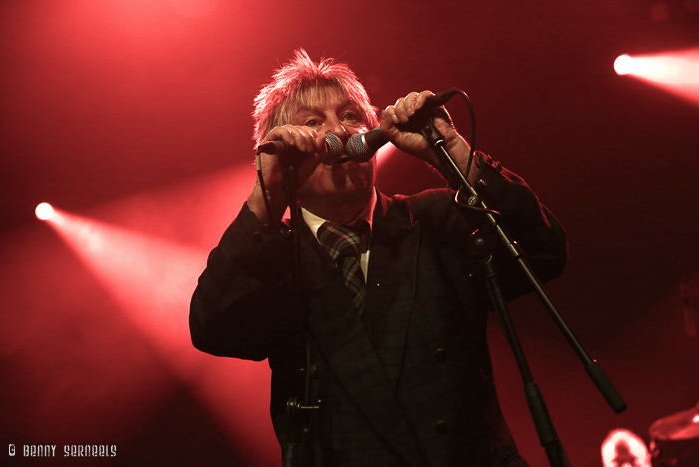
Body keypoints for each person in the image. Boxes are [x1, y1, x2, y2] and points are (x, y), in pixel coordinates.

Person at [189, 49, 567, 466]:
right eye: (313, 123)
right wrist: (267, 194)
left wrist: (455, 155)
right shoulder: (274, 259)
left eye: (351, 116)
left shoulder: (435, 220)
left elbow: (545, 251)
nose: (338, 131)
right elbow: (213, 330)